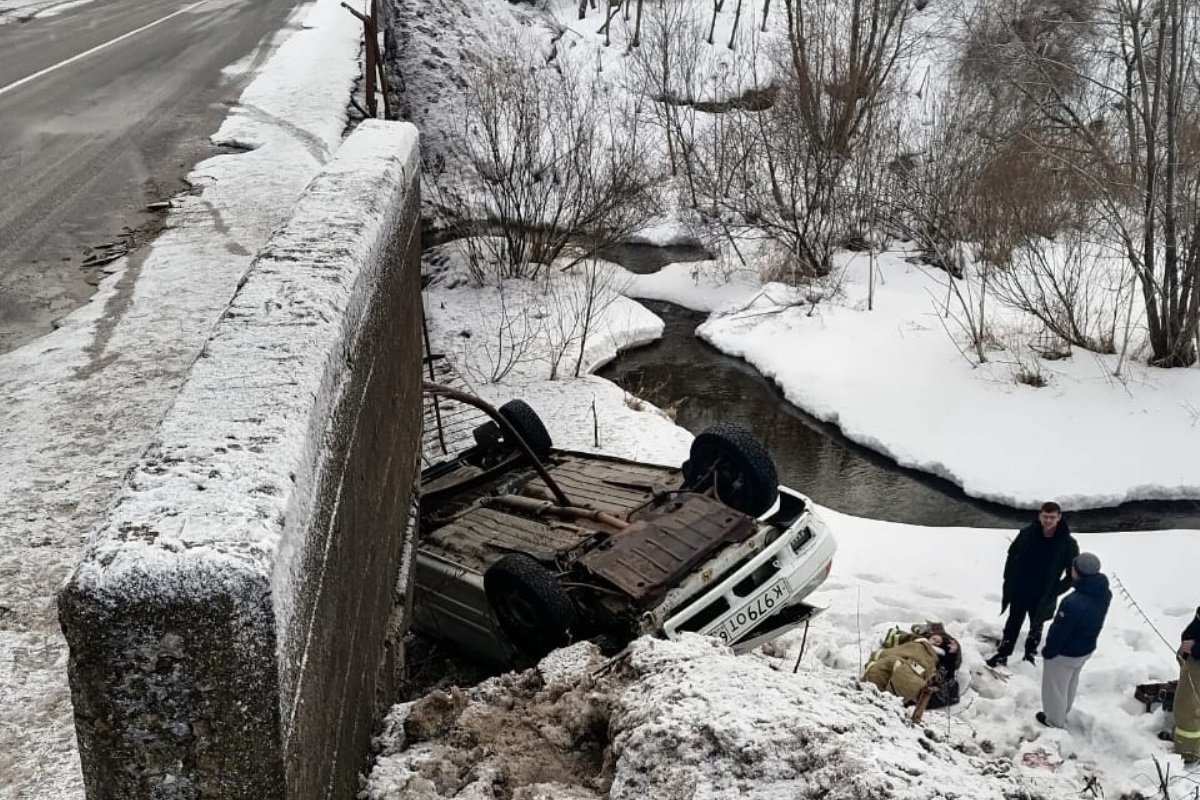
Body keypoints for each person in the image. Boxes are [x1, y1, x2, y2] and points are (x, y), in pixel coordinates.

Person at [987, 501, 1079, 668]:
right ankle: (1003, 653)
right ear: (1039, 516)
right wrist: (1009, 577)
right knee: (1013, 622)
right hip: (1021, 588)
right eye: (1045, 516)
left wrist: (1056, 590)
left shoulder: (1067, 543)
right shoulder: (1027, 533)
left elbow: (1072, 573)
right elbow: (1012, 555)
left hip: (1044, 593)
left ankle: (1030, 654)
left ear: (1059, 517)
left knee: (1037, 624)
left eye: (1052, 517)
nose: (1048, 521)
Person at [1036, 552, 1110, 728]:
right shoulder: (1104, 593)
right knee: (1070, 681)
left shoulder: (1073, 602)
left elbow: (1060, 631)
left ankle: (1054, 721)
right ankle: (1063, 711)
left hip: (1065, 653)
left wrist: (1049, 651)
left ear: (1078, 572)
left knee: (1054, 687)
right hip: (1085, 648)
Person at [862, 626, 962, 709]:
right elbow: (900, 641)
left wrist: (951, 654)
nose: (935, 642)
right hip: (902, 658)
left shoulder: (939, 656)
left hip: (918, 667)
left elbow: (947, 672)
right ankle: (873, 689)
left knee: (905, 671)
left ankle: (890, 698)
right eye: (934, 639)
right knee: (889, 663)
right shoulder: (918, 641)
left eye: (938, 642)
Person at [1169, 606, 1200, 764]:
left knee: (1186, 708)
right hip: (1192, 657)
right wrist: (1186, 648)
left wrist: (1194, 646)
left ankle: (1188, 752)